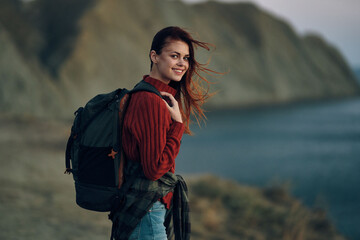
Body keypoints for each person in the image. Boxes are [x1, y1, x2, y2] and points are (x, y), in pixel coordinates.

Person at [110, 26, 217, 240]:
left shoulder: (148, 93)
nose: (182, 64)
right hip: (146, 211)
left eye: (186, 58)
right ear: (154, 56)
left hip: (143, 207)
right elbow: (154, 169)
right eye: (174, 56)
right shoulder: (151, 101)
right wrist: (177, 124)